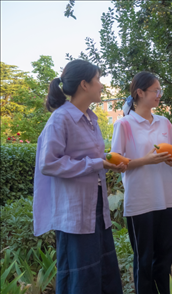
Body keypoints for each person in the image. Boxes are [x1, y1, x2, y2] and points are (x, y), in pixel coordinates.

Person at [33, 59, 126, 294]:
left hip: (95, 206)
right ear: (84, 84)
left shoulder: (90, 119)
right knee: (81, 277)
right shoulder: (61, 118)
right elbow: (49, 163)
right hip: (74, 213)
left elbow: (88, 157)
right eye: (98, 80)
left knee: (101, 272)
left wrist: (109, 160)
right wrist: (98, 162)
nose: (102, 85)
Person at [111, 72, 172, 294]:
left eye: (160, 91)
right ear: (139, 93)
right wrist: (146, 161)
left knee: (164, 258)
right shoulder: (124, 124)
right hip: (140, 200)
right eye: (156, 91)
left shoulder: (165, 123)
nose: (160, 95)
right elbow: (115, 162)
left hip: (165, 198)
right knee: (144, 260)